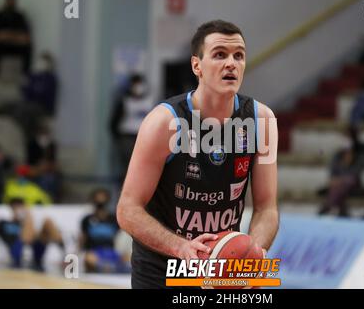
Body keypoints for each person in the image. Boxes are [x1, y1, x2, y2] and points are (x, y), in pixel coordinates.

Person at [116, 20, 279, 289]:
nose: (231, 63)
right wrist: (182, 248)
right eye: (219, 55)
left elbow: (267, 208)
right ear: (196, 66)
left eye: (239, 55)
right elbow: (128, 210)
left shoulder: (262, 121)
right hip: (163, 267)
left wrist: (252, 253)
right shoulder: (164, 123)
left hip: (222, 267)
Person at [0, 197, 63, 270]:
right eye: (16, 208)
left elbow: (33, 234)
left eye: (21, 208)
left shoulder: (26, 224)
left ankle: (64, 254)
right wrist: (25, 219)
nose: (19, 210)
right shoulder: (4, 223)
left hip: (35, 250)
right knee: (29, 224)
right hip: (17, 250)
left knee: (48, 221)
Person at [110, 74, 154, 179]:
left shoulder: (150, 100)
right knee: (128, 166)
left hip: (144, 137)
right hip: (127, 137)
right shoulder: (125, 100)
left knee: (144, 165)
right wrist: (118, 137)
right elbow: (114, 121)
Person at [79, 188, 128, 273]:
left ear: (107, 200)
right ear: (93, 200)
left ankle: (110, 267)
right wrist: (80, 253)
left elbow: (121, 238)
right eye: (98, 199)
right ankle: (106, 267)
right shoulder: (87, 219)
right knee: (89, 258)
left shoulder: (114, 219)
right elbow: (83, 238)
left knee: (129, 257)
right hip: (94, 252)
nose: (100, 202)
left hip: (111, 252)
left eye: (103, 199)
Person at [0, 0, 31, 74]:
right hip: (2, 45)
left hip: (15, 45)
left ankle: (25, 73)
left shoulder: (20, 16)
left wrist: (9, 36)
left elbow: (25, 37)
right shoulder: (0, 16)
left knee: (28, 47)